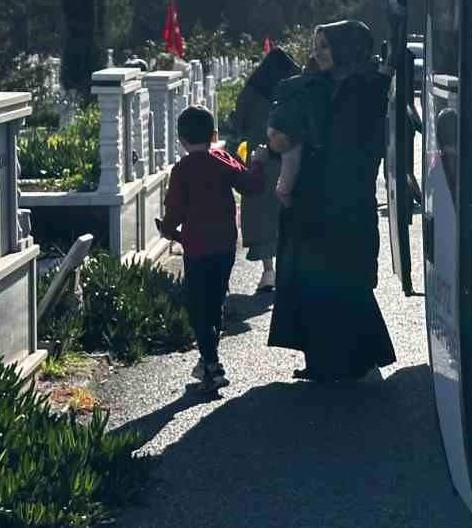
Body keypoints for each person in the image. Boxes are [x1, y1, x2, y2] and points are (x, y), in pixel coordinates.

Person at [267, 21, 397, 383]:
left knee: (348, 282)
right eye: (316, 45)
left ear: (347, 47)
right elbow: (292, 131)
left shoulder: (367, 84)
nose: (318, 53)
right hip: (310, 198)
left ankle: (363, 361)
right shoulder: (315, 86)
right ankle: (321, 361)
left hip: (348, 201)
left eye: (326, 45)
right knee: (306, 280)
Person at [158, 105, 267, 392]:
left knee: (198, 306)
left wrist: (167, 229)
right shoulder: (223, 159)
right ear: (214, 134)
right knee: (216, 299)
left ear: (180, 139)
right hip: (224, 245)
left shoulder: (182, 170)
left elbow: (175, 210)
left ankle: (212, 364)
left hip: (197, 248)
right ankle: (209, 359)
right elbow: (252, 185)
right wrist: (257, 162)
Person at [224, 47, 300, 292]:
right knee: (286, 216)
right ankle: (290, 271)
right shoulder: (291, 93)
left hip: (260, 162)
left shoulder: (250, 92)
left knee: (263, 219)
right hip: (289, 161)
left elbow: (238, 126)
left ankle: (269, 272)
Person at [266, 58, 330, 208]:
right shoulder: (317, 86)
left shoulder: (291, 83)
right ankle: (283, 192)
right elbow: (312, 117)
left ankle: (283, 190)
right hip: (291, 132)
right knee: (291, 163)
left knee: (287, 163)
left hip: (275, 125)